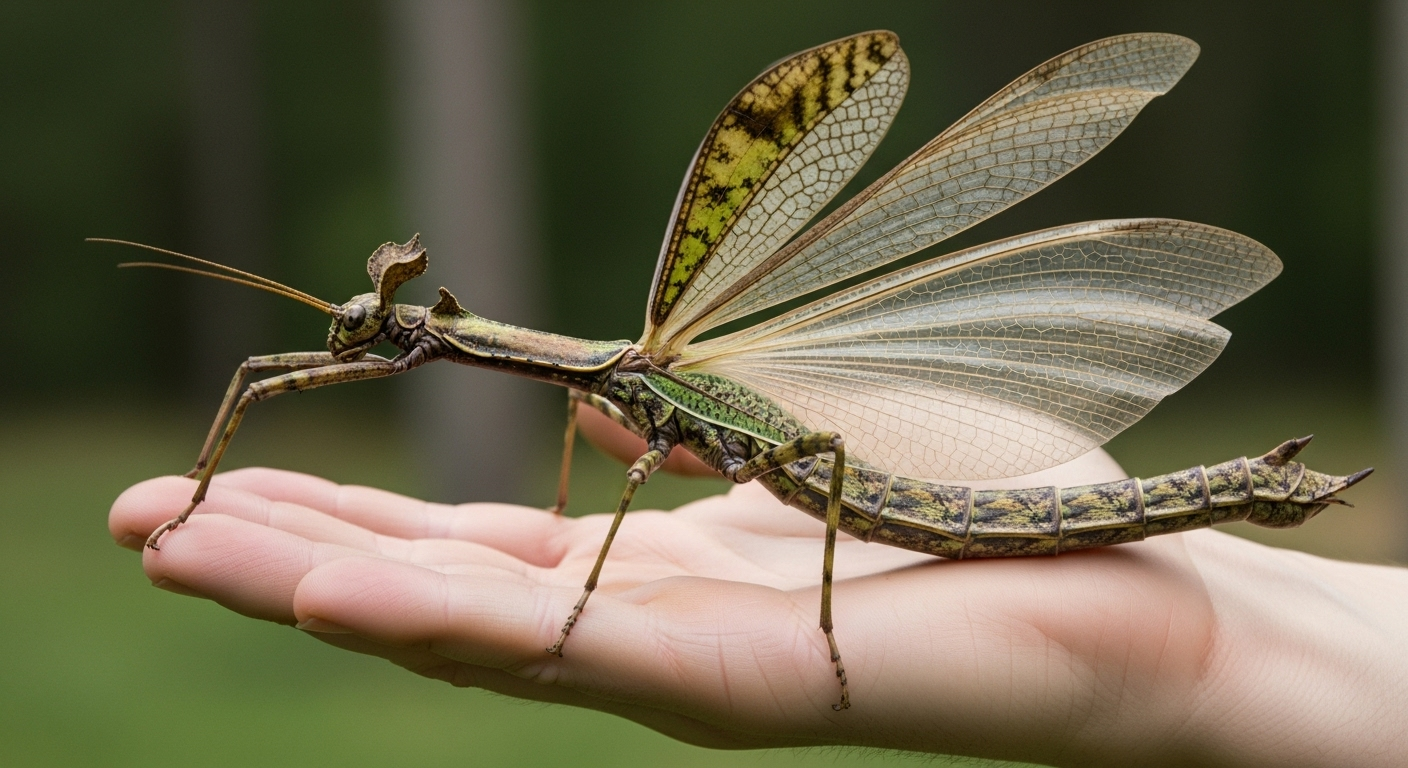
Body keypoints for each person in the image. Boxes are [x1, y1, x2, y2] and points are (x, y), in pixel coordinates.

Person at [109, 407, 1408, 767]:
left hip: (923, 503)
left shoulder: (629, 390)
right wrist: (1237, 638)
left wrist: (1227, 637)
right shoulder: (612, 396)